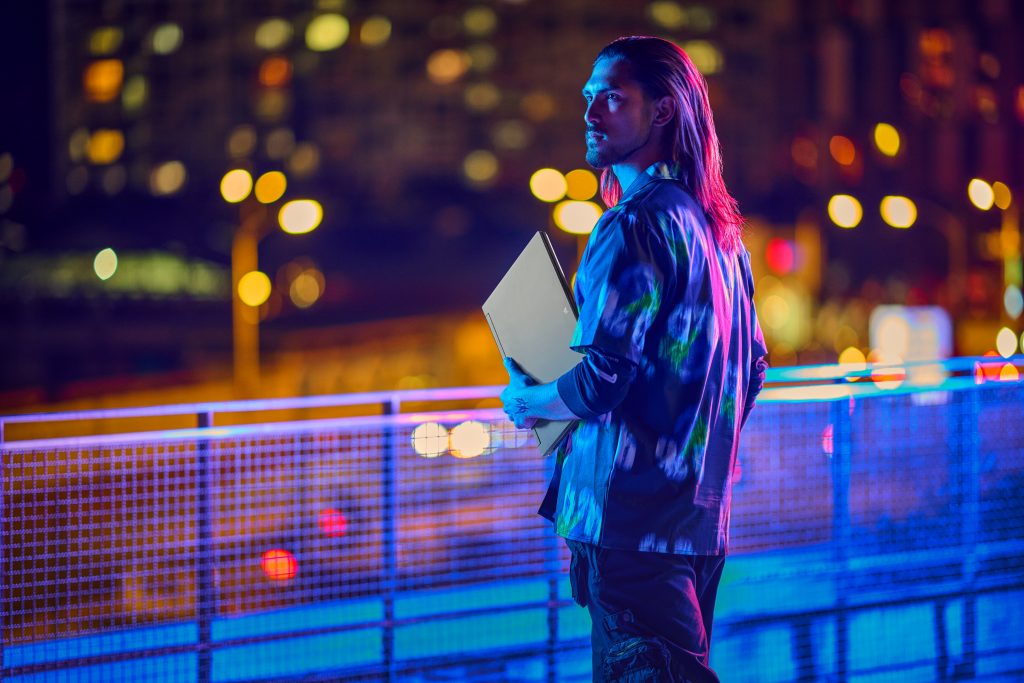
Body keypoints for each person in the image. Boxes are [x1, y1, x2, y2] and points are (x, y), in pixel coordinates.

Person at [499, 36, 768, 682]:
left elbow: (600, 380)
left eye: (613, 99)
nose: (590, 114)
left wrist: (528, 400)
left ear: (665, 110)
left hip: (629, 525)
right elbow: (752, 368)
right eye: (589, 98)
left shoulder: (631, 225)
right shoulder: (722, 237)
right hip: (699, 523)